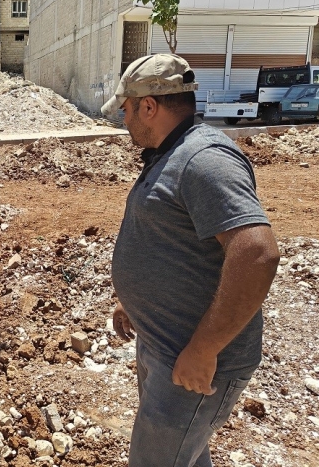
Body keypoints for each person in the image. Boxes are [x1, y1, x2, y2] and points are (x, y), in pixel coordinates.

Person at [101, 54, 280, 467]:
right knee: (187, 456)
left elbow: (257, 252)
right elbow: (170, 240)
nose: (124, 120)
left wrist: (203, 349)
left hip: (193, 362)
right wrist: (136, 300)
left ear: (150, 106)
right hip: (162, 344)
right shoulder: (170, 153)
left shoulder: (205, 159)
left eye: (127, 109)